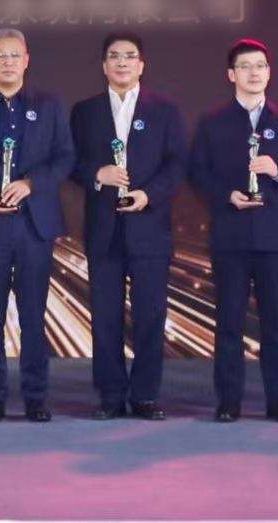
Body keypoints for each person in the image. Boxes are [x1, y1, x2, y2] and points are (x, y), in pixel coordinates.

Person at [189, 38, 278, 422]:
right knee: (229, 323)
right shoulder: (212, 122)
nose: (253, 72)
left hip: (274, 238)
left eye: (260, 66)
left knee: (277, 325)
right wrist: (226, 194)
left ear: (269, 72)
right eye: (245, 66)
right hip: (230, 236)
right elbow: (197, 173)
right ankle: (229, 401)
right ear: (232, 75)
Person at [0, 27, 73, 423]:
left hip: (34, 225)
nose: (8, 62)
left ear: (27, 60)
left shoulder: (50, 106)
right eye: (1, 56)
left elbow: (65, 157)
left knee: (33, 315)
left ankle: (36, 397)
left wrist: (30, 184)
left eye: (15, 55)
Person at [69, 31, 185, 420]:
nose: (122, 63)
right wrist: (97, 174)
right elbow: (69, 161)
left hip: (149, 228)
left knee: (151, 316)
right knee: (105, 317)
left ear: (142, 64)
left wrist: (149, 194)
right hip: (104, 229)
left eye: (130, 56)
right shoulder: (85, 111)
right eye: (114, 56)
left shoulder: (165, 110)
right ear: (104, 65)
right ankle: (110, 396)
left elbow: (177, 164)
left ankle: (146, 395)